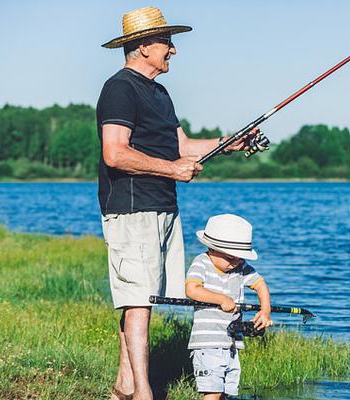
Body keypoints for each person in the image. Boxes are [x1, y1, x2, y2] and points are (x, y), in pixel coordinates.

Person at [98, 7, 257, 400]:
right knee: (138, 301)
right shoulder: (120, 88)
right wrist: (171, 169)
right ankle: (143, 394)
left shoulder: (160, 93)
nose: (173, 50)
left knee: (144, 299)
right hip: (131, 208)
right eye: (167, 42)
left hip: (164, 207)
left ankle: (124, 386)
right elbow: (114, 153)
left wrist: (229, 144)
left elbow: (184, 148)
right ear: (142, 46)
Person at [186, 214, 273, 399]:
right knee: (212, 392)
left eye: (239, 259)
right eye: (231, 258)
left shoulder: (240, 267)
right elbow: (192, 290)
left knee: (227, 391)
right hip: (207, 343)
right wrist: (221, 299)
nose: (235, 263)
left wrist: (265, 311)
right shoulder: (201, 262)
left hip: (232, 343)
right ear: (211, 249)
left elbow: (260, 284)